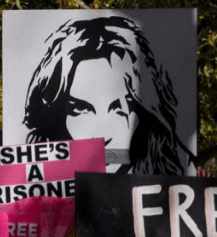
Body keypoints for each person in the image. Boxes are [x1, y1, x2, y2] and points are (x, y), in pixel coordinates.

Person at [22, 15, 193, 175]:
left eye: (120, 109)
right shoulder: (38, 192)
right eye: (80, 109)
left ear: (147, 112)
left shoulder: (177, 181)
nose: (103, 137)